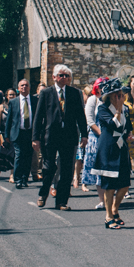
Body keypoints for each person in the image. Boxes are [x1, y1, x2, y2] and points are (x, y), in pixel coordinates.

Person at [31, 64, 89, 210]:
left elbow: (80, 116)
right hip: (50, 136)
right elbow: (38, 117)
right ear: (54, 77)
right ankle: (44, 192)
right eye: (62, 75)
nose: (65, 78)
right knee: (49, 167)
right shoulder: (46, 93)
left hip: (69, 136)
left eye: (67, 76)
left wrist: (84, 135)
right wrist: (35, 138)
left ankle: (62, 201)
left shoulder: (75, 93)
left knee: (66, 170)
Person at [91, 78, 133, 228]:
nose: (122, 97)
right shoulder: (102, 109)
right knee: (109, 185)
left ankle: (115, 209)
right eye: (119, 94)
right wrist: (119, 110)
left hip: (121, 149)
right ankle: (108, 217)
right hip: (108, 150)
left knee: (124, 184)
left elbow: (127, 126)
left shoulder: (125, 109)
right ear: (112, 95)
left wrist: (129, 133)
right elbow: (112, 125)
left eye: (121, 94)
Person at [3, 79, 36, 188]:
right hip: (18, 133)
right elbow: (9, 119)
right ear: (18, 88)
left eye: (26, 85)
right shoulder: (14, 102)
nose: (24, 87)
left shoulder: (35, 100)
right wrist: (6, 135)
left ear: (29, 88)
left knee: (28, 156)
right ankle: (17, 178)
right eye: (22, 85)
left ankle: (25, 178)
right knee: (19, 155)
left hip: (30, 133)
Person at [81, 78, 106, 211]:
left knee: (108, 170)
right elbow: (90, 120)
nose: (102, 88)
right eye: (100, 86)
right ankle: (102, 200)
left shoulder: (110, 99)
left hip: (108, 138)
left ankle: (110, 199)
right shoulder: (93, 100)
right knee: (98, 170)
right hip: (96, 138)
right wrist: (101, 134)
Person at [0, 88, 16, 181]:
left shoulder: (17, 105)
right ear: (6, 96)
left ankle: (12, 174)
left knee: (13, 153)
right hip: (3, 133)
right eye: (10, 95)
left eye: (13, 94)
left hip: (13, 133)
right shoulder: (2, 107)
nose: (12, 96)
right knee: (1, 153)